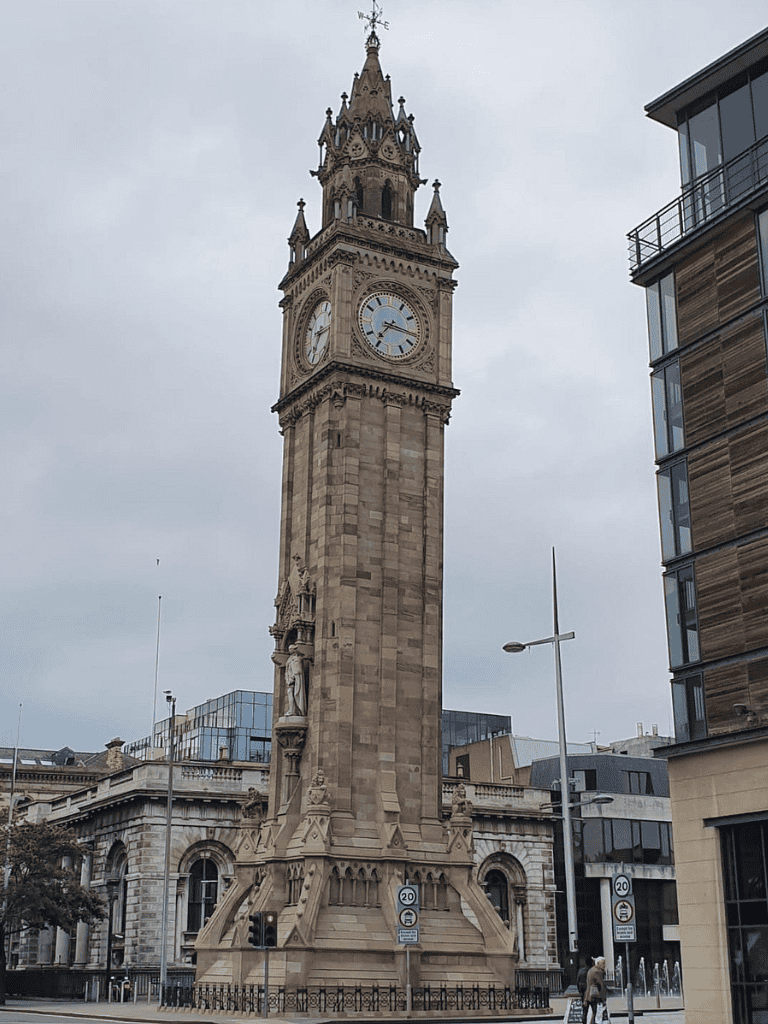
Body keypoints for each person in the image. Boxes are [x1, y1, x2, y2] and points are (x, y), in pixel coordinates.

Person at [583, 956, 608, 1024]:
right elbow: (601, 985)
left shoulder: (591, 970)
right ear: (598, 963)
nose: (604, 965)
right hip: (596, 995)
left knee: (593, 1014)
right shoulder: (597, 971)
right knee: (597, 1014)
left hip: (589, 995)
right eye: (603, 963)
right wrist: (603, 998)